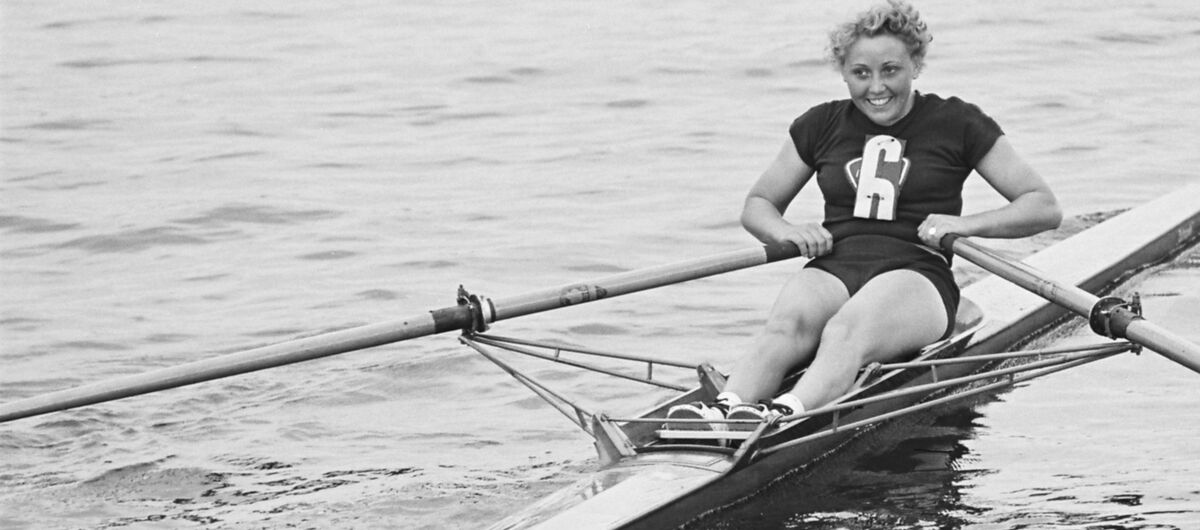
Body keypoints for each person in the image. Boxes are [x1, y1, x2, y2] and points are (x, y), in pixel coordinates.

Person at [666, 0, 1061, 430]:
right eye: (861, 73)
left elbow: (1042, 206)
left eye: (890, 70)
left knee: (844, 331)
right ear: (844, 73)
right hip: (836, 263)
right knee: (785, 325)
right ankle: (725, 409)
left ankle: (783, 417)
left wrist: (965, 225)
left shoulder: (958, 122)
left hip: (916, 272)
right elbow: (758, 206)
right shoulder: (820, 124)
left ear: (916, 64)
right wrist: (787, 230)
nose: (876, 87)